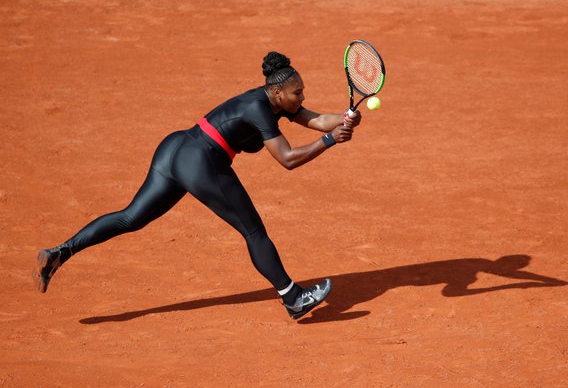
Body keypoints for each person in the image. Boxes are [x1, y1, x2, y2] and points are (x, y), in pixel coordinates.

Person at [34, 51, 361, 320]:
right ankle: (293, 298)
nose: (301, 97)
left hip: (175, 148)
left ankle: (60, 252)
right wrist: (330, 141)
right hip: (201, 161)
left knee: (130, 217)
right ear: (278, 92)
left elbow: (314, 119)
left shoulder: (271, 101)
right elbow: (287, 158)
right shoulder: (260, 109)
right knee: (254, 232)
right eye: (297, 92)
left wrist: (345, 117)